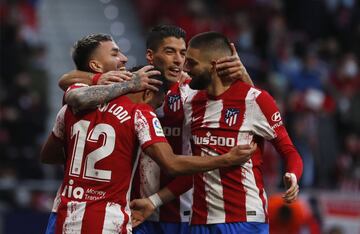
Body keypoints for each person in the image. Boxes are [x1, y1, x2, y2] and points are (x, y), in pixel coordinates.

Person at [41, 33, 257, 233]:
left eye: (184, 54)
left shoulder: (74, 100)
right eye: (170, 51)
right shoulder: (140, 112)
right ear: (151, 57)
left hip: (66, 215)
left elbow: (49, 153)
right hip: (118, 217)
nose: (179, 60)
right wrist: (227, 159)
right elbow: (172, 163)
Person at [130, 32, 303, 234]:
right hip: (200, 222)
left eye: (191, 63)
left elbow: (289, 150)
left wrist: (292, 174)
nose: (185, 69)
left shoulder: (255, 100)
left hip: (245, 220)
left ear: (213, 65)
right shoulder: (190, 103)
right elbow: (194, 166)